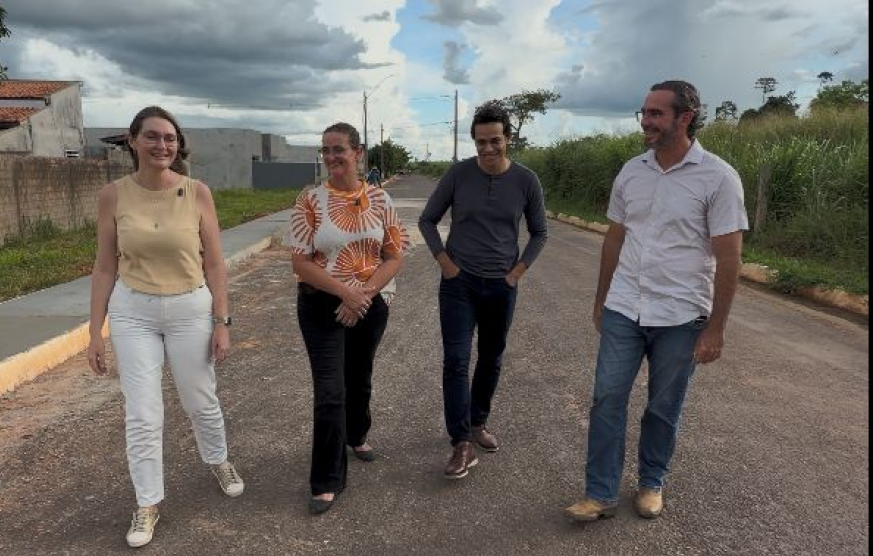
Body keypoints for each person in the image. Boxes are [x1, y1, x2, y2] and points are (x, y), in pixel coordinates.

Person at [565, 80, 748, 522]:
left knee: (664, 406)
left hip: (681, 315)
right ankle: (600, 492)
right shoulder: (631, 171)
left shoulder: (719, 177)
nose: (645, 122)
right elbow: (614, 238)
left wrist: (716, 328)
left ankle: (651, 482)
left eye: (656, 114)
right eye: (643, 113)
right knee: (607, 397)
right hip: (625, 306)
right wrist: (601, 299)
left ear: (684, 118)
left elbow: (729, 257)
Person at [87, 106, 244, 548]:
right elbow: (103, 267)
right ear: (133, 141)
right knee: (142, 412)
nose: (162, 146)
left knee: (200, 399)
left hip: (190, 308)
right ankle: (147, 503)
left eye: (170, 139)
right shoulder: (112, 195)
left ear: (178, 145)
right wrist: (96, 331)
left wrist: (222, 322)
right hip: (133, 310)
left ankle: (219, 460)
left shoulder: (196, 192)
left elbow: (214, 262)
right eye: (153, 137)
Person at [418, 101, 548, 479]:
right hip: (459, 284)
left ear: (509, 138)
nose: (487, 149)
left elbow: (540, 231)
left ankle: (478, 422)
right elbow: (428, 220)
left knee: (491, 357)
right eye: (480, 142)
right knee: (456, 360)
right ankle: (461, 442)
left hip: (501, 287)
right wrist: (446, 263)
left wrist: (518, 272)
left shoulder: (526, 181)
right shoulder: (458, 175)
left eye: (495, 141)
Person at [290, 122, 408, 514]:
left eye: (338, 149)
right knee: (329, 391)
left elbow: (394, 256)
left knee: (359, 375)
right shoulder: (310, 200)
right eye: (325, 150)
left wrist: (365, 295)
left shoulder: (381, 199)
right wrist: (346, 293)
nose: (331, 157)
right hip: (321, 304)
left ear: (358, 153)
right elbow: (300, 263)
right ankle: (327, 479)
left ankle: (356, 434)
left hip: (369, 302)